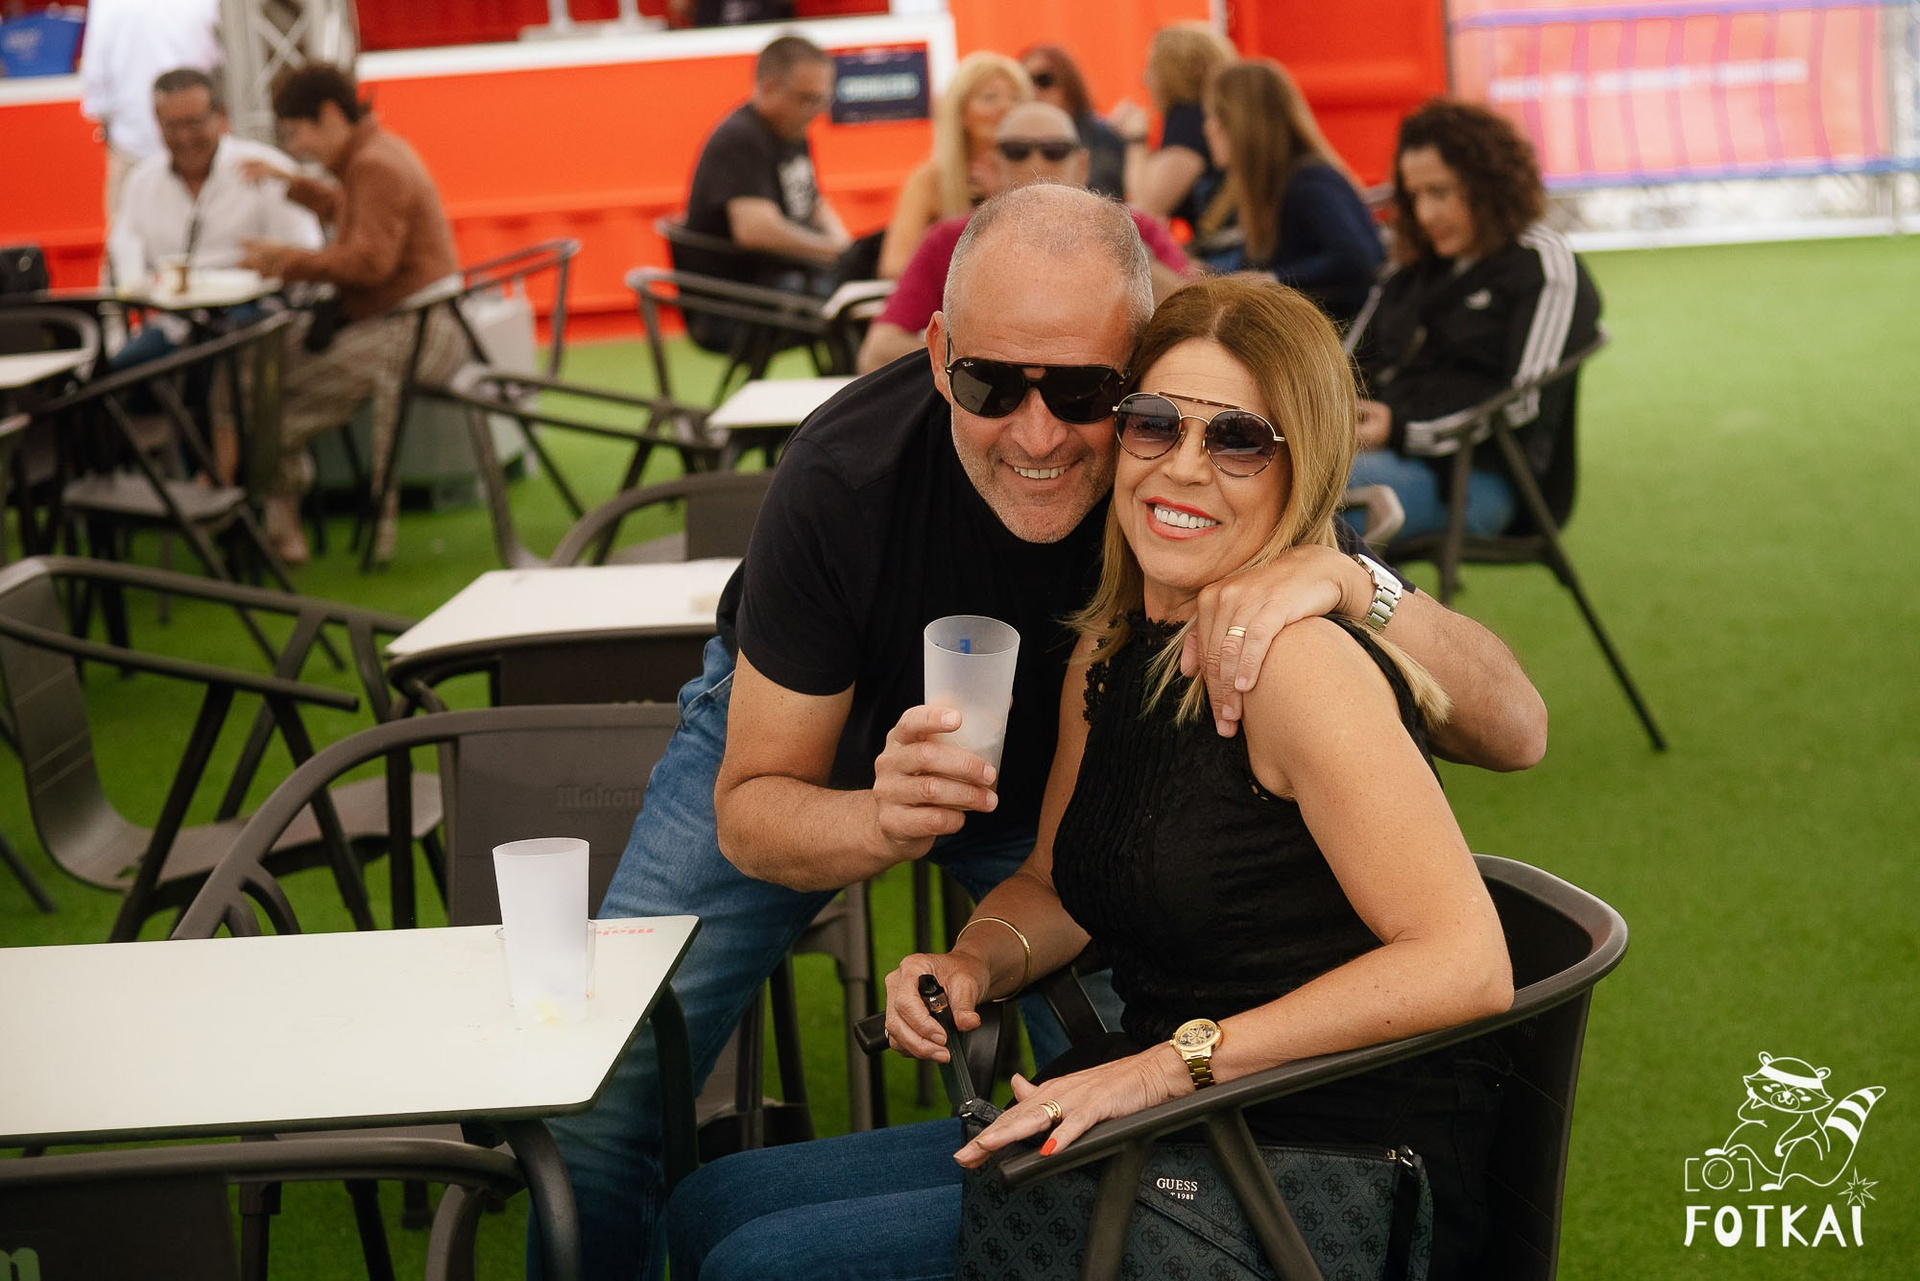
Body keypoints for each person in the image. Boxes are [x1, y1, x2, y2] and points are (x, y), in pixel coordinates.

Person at [543, 184, 1548, 1281]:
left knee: (764, 1262)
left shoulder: (1281, 633)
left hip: (1304, 1160)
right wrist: (966, 950)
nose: (1179, 462)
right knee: (708, 1200)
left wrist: (1355, 579)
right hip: (893, 805)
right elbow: (1053, 882)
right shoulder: (1094, 630)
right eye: (1157, 425)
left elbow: (1481, 891)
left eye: (1083, 392)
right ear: (940, 357)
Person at [236, 63, 464, 567]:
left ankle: (266, 506)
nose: (297, 146)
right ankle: (274, 506)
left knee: (264, 377)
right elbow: (352, 213)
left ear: (330, 114)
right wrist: (291, 183)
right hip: (416, 323)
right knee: (263, 367)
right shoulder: (375, 153)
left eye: (296, 132)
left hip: (419, 334)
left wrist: (283, 260)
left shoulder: (374, 164)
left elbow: (368, 263)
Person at [1349, 98, 1602, 540]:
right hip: (1381, 459)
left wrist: (1400, 430)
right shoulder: (1412, 267)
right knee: (1261, 475)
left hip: (1480, 481)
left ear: (1488, 184)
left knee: (1291, 497)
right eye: (1414, 196)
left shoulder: (1542, 266)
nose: (1425, 214)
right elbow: (1343, 364)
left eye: (1439, 192)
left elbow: (1522, 405)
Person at [855, 101, 1194, 373]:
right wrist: (986, 365)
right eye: (1016, 151)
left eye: (1054, 150)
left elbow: (1196, 319)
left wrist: (1126, 251)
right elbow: (877, 352)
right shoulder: (950, 239)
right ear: (992, 166)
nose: (1036, 162)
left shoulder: (1135, 229)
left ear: (1081, 164)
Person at [106, 69, 322, 372]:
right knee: (115, 375)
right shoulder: (142, 183)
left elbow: (308, 251)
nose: (184, 137)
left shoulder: (265, 167)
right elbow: (123, 262)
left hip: (253, 319)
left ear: (220, 116)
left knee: (221, 361)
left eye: (194, 124)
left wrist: (274, 263)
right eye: (172, 126)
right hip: (174, 325)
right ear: (157, 124)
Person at [676, 34, 852, 346]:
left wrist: (849, 250)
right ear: (769, 87)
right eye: (807, 99)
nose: (817, 111)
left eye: (823, 100)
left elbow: (814, 205)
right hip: (736, 304)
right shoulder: (741, 139)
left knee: (860, 292)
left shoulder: (791, 131)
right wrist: (837, 253)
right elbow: (756, 230)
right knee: (854, 304)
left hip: (779, 285)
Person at [1202, 58, 1382, 324]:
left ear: (1244, 125)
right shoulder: (1273, 185)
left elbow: (1356, 258)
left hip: (1327, 333)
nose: (1208, 127)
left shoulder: (1308, 183)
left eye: (1217, 116)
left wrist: (1273, 279)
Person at [875, 52, 1030, 279]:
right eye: (990, 97)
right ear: (961, 113)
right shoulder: (930, 180)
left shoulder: (1039, 171)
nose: (1006, 107)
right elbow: (894, 267)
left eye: (1016, 98)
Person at [77, 0, 221, 218]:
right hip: (194, 147)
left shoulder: (107, 5)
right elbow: (221, 62)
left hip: (135, 143)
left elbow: (95, 79)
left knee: (129, 230)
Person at [1112, 22, 1236, 260]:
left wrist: (1136, 139)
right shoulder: (1204, 114)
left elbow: (1146, 206)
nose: (1144, 78)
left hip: (1225, 258)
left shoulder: (1189, 118)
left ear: (1173, 74)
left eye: (1152, 68)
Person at [1018, 43, 1126, 200]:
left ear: (1069, 85)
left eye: (1044, 80)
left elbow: (1107, 197)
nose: (1033, 90)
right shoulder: (1009, 138)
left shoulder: (1102, 136)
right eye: (1024, 81)